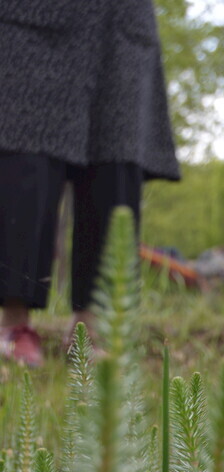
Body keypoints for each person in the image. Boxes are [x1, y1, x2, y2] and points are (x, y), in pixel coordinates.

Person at [0, 1, 180, 367]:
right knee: (24, 151)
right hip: (28, 13)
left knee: (115, 159)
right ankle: (13, 324)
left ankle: (92, 329)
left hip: (120, 17)